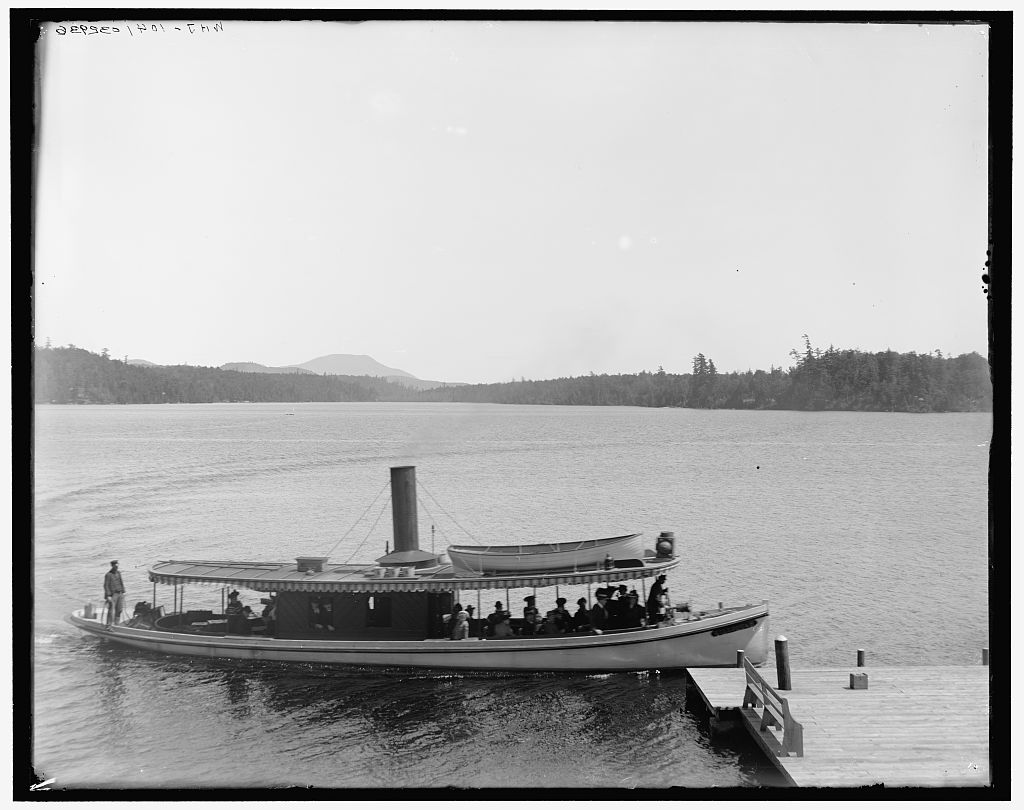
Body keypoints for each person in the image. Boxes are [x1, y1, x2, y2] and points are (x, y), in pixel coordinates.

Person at [103, 560, 125, 628]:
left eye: (117, 565)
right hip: (113, 595)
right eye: (115, 566)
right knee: (111, 611)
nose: (116, 567)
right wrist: (108, 595)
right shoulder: (108, 575)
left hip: (120, 593)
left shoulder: (118, 573)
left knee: (119, 609)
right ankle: (108, 626)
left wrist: (123, 591)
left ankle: (116, 624)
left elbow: (121, 582)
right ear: (112, 566)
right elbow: (106, 585)